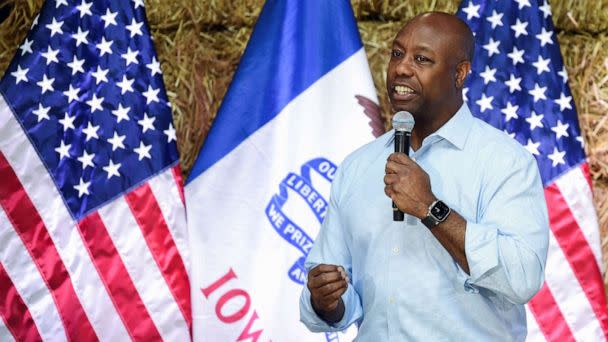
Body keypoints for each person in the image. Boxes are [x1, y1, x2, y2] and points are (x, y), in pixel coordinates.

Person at [299, 12, 549, 340]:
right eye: (397, 54)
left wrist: (431, 208)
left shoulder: (505, 162)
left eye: (421, 59)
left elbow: (522, 277)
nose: (402, 68)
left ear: (459, 74)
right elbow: (336, 293)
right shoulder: (357, 167)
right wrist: (325, 300)